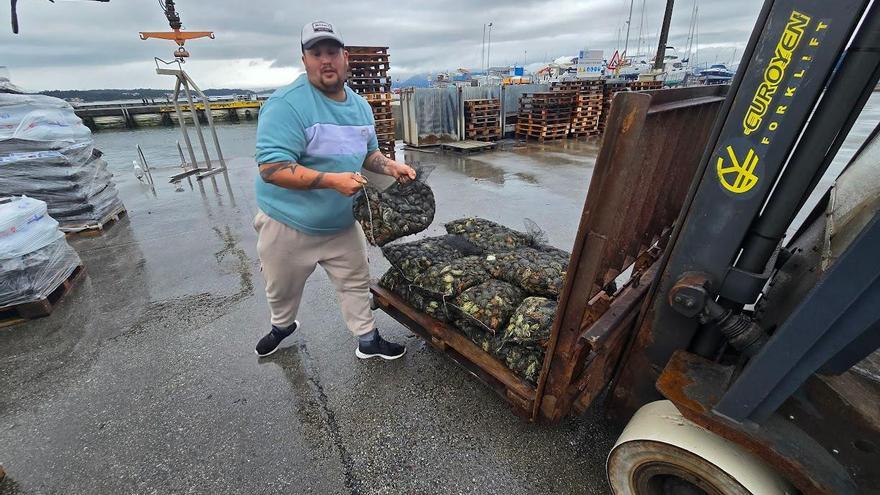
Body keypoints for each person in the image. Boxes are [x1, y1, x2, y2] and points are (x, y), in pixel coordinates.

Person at [252, 20, 415, 360]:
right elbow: (271, 169)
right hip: (288, 224)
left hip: (341, 223)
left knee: (356, 282)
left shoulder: (359, 106)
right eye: (316, 53)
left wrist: (390, 166)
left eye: (331, 52)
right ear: (304, 60)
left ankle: (367, 340)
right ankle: (282, 325)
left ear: (345, 57)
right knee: (281, 289)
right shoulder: (287, 104)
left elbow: (368, 153)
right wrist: (331, 180)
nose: (325, 60)